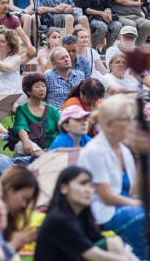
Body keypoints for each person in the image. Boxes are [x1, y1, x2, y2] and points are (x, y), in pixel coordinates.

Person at [77, 94, 147, 258]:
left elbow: (134, 189)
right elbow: (107, 197)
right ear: (109, 125)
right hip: (102, 211)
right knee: (143, 218)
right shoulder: (94, 151)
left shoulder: (123, 149)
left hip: (126, 205)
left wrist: (144, 156)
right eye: (127, 120)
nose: (132, 124)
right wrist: (140, 204)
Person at [35, 166, 137, 261]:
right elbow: (93, 254)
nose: (89, 190)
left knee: (115, 241)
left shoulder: (81, 216)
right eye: (82, 184)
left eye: (91, 186)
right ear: (64, 188)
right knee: (113, 244)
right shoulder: (59, 219)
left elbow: (98, 239)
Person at [13, 73, 61, 157]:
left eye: (43, 86)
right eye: (37, 86)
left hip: (52, 148)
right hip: (31, 148)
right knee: (19, 146)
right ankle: (46, 159)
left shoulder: (52, 110)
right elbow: (21, 127)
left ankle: (46, 158)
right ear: (28, 91)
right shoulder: (21, 109)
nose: (42, 89)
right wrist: (26, 141)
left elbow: (63, 127)